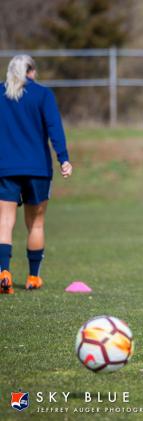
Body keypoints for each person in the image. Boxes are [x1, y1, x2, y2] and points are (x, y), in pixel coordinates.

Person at [0, 55, 72, 294]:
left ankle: (4, 272)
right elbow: (54, 128)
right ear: (31, 71)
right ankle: (33, 277)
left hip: (5, 167)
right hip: (37, 168)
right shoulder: (42, 94)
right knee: (36, 223)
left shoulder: (1, 93)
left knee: (4, 222)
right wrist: (63, 159)